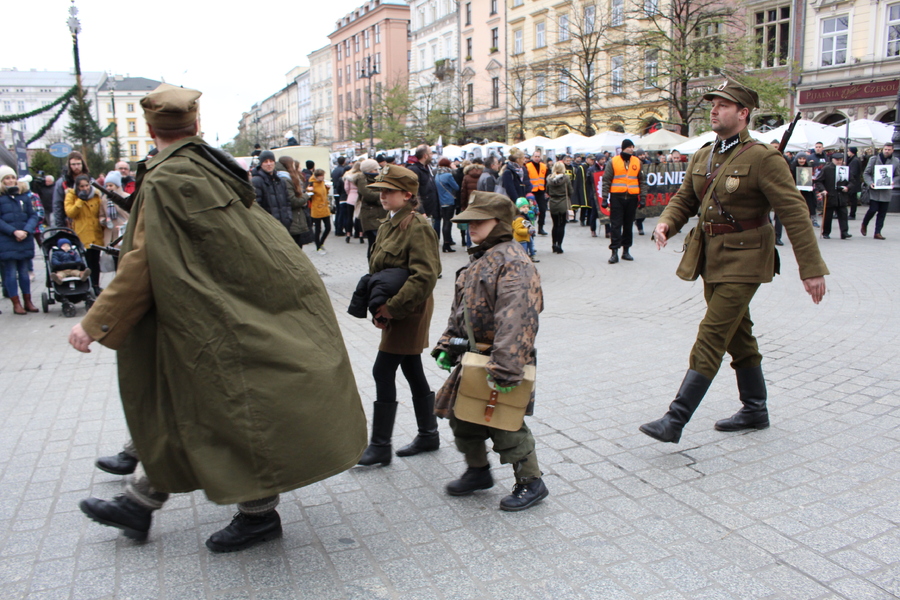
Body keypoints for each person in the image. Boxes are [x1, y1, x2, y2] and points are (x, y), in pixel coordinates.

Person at [70, 83, 366, 552]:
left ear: (149, 130)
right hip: (220, 304)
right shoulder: (207, 165)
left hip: (208, 314)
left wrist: (95, 322)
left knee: (219, 409)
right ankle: (141, 502)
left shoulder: (170, 178)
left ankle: (254, 517)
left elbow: (144, 259)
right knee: (195, 406)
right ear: (196, 126)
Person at [640, 79, 828, 445]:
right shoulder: (704, 154)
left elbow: (794, 212)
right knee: (737, 334)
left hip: (746, 258)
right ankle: (755, 409)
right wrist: (667, 221)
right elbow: (684, 198)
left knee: (712, 332)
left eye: (723, 105)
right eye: (713, 103)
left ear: (743, 114)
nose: (714, 110)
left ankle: (675, 419)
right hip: (710, 256)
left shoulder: (762, 158)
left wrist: (812, 269)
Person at [432, 191, 549, 511]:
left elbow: (518, 319)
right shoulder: (481, 258)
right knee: (462, 415)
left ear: (498, 223)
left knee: (505, 422)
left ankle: (531, 481)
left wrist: (507, 367)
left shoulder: (514, 261)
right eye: (469, 221)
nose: (471, 227)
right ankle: (478, 471)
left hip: (501, 358)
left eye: (479, 221)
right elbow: (461, 311)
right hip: (475, 357)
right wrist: (448, 343)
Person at [356, 164, 442, 466]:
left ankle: (380, 445)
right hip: (394, 305)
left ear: (408, 194)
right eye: (380, 190)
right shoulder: (389, 224)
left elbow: (426, 275)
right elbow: (379, 270)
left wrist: (392, 308)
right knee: (411, 367)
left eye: (389, 191)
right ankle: (429, 434)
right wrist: (378, 303)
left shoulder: (416, 225)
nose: (382, 195)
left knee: (383, 370)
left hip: (409, 308)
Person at [0, 165, 39, 314]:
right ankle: (16, 303)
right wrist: (13, 232)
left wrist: (26, 231)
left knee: (24, 271)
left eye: (13, 178)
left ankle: (28, 300)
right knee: (10, 272)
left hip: (24, 239)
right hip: (7, 240)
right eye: (7, 178)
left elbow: (33, 215)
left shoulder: (24, 197)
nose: (11, 181)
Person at [601, 139, 647, 264]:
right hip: (617, 197)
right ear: (623, 148)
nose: (631, 149)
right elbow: (606, 180)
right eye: (629, 147)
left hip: (632, 198)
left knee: (628, 225)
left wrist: (642, 198)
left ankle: (626, 251)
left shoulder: (637, 161)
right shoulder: (613, 161)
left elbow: (642, 181)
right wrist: (605, 198)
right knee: (615, 225)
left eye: (632, 147)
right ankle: (614, 252)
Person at [64, 174, 104, 295]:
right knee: (85, 262)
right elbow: (70, 213)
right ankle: (86, 286)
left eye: (87, 185)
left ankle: (96, 285)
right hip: (82, 233)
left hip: (95, 232)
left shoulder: (96, 195)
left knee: (95, 261)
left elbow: (101, 211)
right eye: (82, 186)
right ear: (77, 187)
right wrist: (80, 200)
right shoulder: (71, 195)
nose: (85, 188)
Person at [862, 142, 899, 240]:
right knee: (873, 209)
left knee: (882, 212)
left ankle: (877, 232)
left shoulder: (895, 161)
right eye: (885, 149)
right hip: (875, 189)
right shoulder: (874, 159)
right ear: (882, 149)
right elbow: (866, 173)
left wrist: (893, 181)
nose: (887, 151)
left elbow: (897, 174)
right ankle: (864, 223)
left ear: (892, 150)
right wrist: (870, 183)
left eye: (889, 150)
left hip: (886, 191)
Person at [251, 150, 292, 230]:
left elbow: (287, 202)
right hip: (268, 228)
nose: (269, 164)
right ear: (261, 164)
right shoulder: (256, 181)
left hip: (284, 225)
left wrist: (288, 218)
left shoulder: (280, 181)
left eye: (271, 161)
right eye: (266, 162)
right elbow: (256, 206)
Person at [815, 152, 852, 240]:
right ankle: (826, 232)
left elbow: (852, 181)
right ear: (832, 160)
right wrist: (823, 190)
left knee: (843, 214)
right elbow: (818, 181)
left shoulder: (845, 169)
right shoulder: (827, 169)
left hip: (841, 195)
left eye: (840, 160)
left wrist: (848, 187)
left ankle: (844, 232)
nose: (839, 162)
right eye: (837, 160)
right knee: (828, 215)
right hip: (830, 195)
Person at [356, 159, 386, 257]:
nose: (377, 171)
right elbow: (368, 194)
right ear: (369, 170)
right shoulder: (362, 179)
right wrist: (383, 195)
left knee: (379, 243)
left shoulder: (378, 178)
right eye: (375, 169)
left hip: (379, 214)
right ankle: (372, 268)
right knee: (373, 244)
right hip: (370, 216)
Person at [53, 151, 90, 228]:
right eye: (73, 164)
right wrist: (60, 226)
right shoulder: (62, 183)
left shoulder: (90, 180)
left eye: (79, 164)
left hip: (89, 220)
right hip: (70, 221)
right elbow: (58, 205)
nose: (76, 167)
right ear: (69, 165)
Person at [546, 161, 574, 254]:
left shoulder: (549, 178)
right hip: (563, 202)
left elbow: (548, 191)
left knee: (555, 224)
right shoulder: (566, 178)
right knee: (562, 225)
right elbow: (570, 191)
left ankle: (553, 244)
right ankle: (559, 245)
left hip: (553, 202)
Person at [434, 157, 459, 252]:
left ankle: (446, 243)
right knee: (448, 223)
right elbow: (456, 187)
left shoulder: (437, 175)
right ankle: (446, 244)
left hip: (441, 201)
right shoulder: (448, 175)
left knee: (444, 222)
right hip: (449, 201)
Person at [407, 144, 438, 219]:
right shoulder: (414, 169)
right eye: (430, 153)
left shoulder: (427, 168)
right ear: (425, 155)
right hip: (422, 212)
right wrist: (421, 211)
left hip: (430, 210)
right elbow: (414, 192)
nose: (432, 156)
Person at [308, 168, 332, 254]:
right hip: (317, 209)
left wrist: (327, 189)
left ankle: (321, 242)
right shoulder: (312, 183)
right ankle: (318, 247)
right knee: (318, 229)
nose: (322, 178)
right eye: (321, 177)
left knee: (328, 227)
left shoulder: (323, 182)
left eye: (323, 176)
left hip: (325, 208)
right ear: (317, 177)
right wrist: (309, 190)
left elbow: (324, 193)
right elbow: (308, 193)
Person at [525, 150, 549, 235]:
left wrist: (546, 190)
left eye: (538, 156)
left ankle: (541, 228)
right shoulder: (527, 166)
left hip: (541, 191)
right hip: (531, 192)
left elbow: (546, 179)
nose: (537, 158)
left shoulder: (544, 166)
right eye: (535, 156)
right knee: (531, 211)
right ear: (532, 157)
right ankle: (531, 229)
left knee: (542, 210)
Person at [513, 197, 538, 262]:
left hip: (526, 237)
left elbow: (527, 224)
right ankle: (523, 261)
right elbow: (518, 230)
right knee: (523, 251)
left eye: (527, 207)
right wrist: (528, 231)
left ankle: (531, 255)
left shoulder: (524, 216)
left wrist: (531, 228)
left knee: (531, 244)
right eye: (523, 207)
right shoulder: (519, 218)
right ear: (518, 208)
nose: (526, 208)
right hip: (521, 239)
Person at [331, 156, 350, 237]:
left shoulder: (334, 170)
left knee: (338, 211)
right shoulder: (343, 170)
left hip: (336, 192)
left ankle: (338, 227)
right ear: (344, 161)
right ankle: (343, 228)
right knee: (344, 213)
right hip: (342, 194)